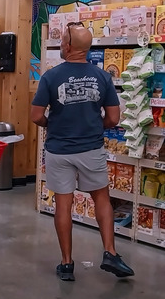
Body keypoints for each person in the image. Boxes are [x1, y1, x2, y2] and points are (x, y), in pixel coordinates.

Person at [31, 22, 134, 281]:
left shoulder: (51, 76)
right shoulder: (102, 77)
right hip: (92, 149)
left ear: (66, 46)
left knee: (63, 204)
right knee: (101, 198)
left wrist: (51, 123)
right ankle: (110, 252)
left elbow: (35, 116)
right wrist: (94, 125)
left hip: (59, 149)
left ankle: (67, 264)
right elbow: (113, 117)